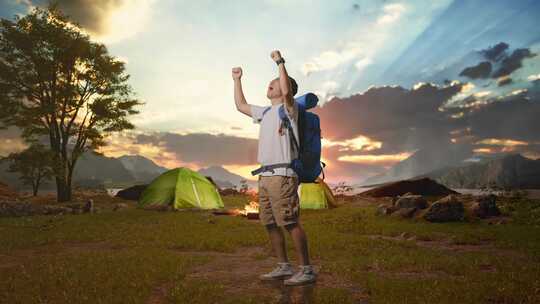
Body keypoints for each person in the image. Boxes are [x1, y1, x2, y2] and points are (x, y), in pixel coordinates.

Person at [232, 50, 316, 286]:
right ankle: (283, 266)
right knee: (269, 223)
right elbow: (240, 105)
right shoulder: (266, 112)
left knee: (289, 222)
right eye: (269, 83)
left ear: (284, 87)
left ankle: (307, 270)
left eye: (275, 83)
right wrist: (237, 80)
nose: (270, 85)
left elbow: (288, 91)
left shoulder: (289, 111)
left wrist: (280, 62)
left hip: (283, 175)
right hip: (266, 176)